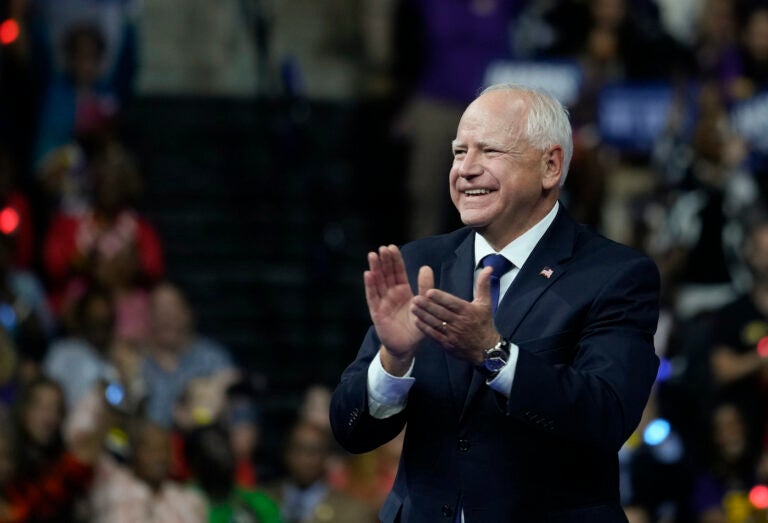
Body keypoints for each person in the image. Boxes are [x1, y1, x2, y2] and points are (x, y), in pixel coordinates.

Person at [329, 84, 661, 522]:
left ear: (550, 164)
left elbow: (608, 417)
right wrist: (394, 358)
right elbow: (351, 430)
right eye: (457, 151)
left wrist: (496, 356)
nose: (465, 169)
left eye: (488, 151)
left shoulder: (614, 276)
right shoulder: (419, 264)